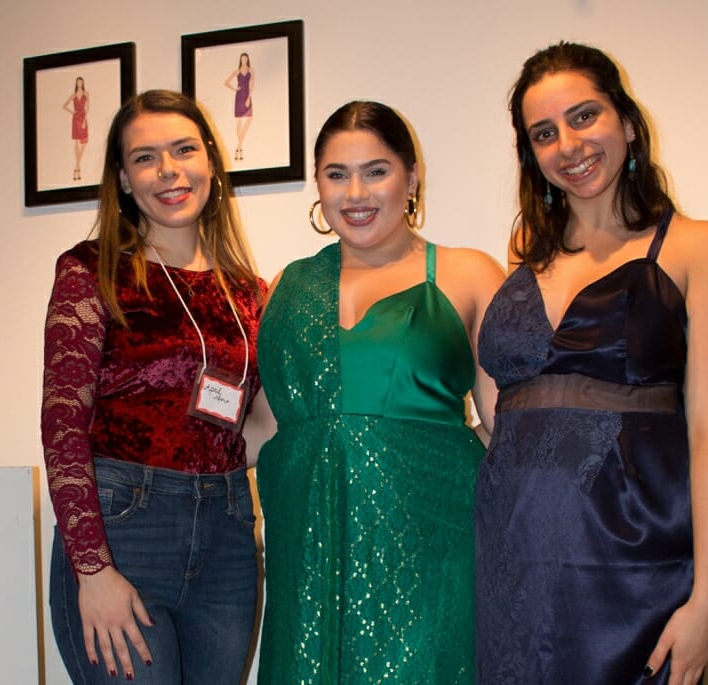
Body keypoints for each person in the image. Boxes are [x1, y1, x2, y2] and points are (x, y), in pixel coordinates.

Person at [475, 42, 708, 685]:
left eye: (584, 116)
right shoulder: (522, 258)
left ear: (626, 122)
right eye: (544, 133)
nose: (568, 144)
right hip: (510, 552)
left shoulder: (698, 246)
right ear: (531, 155)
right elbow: (502, 415)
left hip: (633, 559)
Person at [254, 101, 504, 683]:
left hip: (428, 555)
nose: (355, 193)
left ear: (411, 177)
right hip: (311, 557)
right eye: (336, 174)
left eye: (376, 170)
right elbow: (268, 427)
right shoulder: (288, 287)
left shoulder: (469, 274)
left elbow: (505, 426)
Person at [42, 89, 266, 684]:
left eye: (184, 149)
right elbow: (62, 426)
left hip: (226, 537)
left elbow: (261, 423)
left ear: (211, 163)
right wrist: (91, 570)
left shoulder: (249, 293)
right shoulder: (90, 270)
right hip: (123, 530)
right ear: (122, 178)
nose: (168, 170)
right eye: (145, 157)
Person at [223, 53, 253, 162]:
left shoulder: (251, 70)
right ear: (241, 60)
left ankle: (239, 146)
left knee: (249, 118)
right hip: (239, 96)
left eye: (245, 58)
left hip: (246, 95)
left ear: (247, 59)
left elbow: (251, 84)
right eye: (242, 58)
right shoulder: (237, 71)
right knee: (239, 120)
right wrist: (235, 89)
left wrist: (249, 97)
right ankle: (240, 147)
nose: (244, 60)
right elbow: (226, 82)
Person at [63, 76, 90, 181]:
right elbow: (64, 106)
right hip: (75, 119)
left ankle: (77, 167)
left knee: (84, 142)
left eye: (81, 82)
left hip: (82, 118)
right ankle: (77, 169)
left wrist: (84, 120)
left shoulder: (86, 94)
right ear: (76, 83)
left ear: (82, 83)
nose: (79, 84)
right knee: (76, 143)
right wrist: (72, 112)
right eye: (78, 82)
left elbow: (88, 107)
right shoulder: (73, 95)